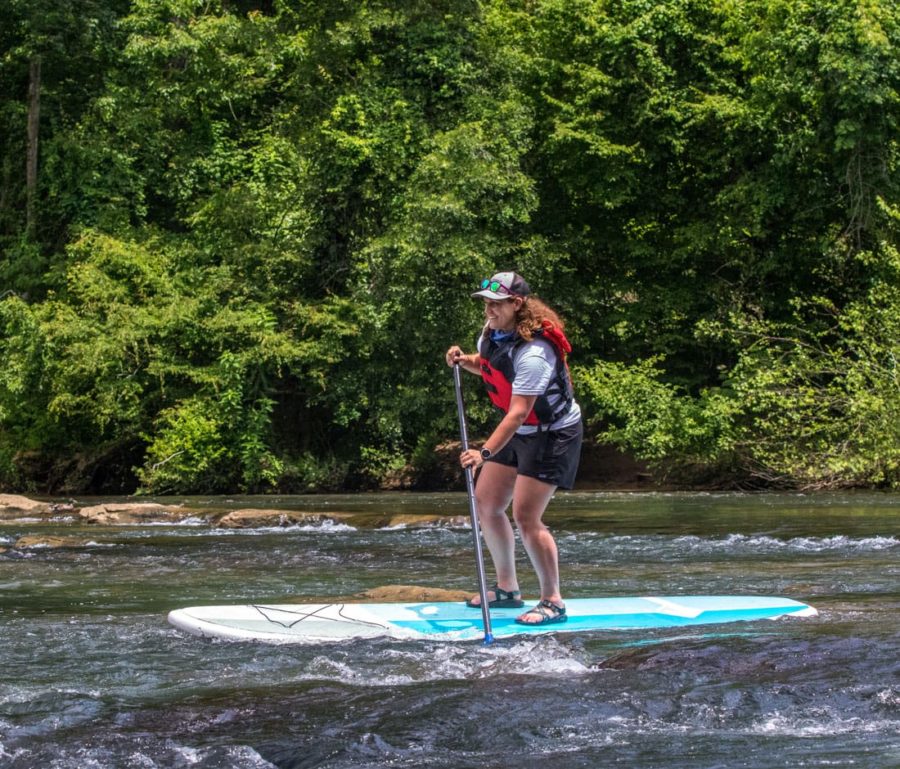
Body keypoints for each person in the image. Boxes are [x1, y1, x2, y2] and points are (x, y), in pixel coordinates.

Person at [445, 271, 583, 625]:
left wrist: (483, 453)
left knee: (525, 516)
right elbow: (490, 367)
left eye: (496, 303)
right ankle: (507, 590)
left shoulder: (535, 352)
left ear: (517, 304)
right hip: (519, 429)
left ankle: (553, 600)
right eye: (486, 303)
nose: (488, 309)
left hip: (552, 434)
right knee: (487, 503)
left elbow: (519, 411)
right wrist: (464, 360)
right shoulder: (492, 333)